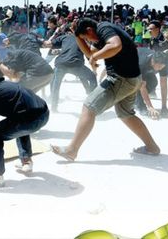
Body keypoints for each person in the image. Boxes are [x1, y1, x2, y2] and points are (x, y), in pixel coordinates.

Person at [50, 18, 160, 161]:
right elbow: (90, 53)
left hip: (121, 78)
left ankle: (72, 150)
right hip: (132, 80)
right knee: (126, 114)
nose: (88, 41)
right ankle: (152, 147)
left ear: (90, 30)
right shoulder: (100, 37)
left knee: (89, 106)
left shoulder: (103, 28)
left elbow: (115, 45)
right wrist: (78, 37)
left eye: (86, 38)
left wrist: (94, 56)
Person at [46, 23, 97, 112]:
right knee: (92, 77)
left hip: (61, 63)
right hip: (76, 64)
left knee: (55, 83)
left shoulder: (64, 37)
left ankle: (54, 107)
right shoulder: (82, 39)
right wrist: (94, 70)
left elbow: (49, 44)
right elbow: (89, 56)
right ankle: (92, 104)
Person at [135, 48, 167, 119]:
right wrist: (150, 107)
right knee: (137, 85)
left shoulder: (162, 63)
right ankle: (139, 105)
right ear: (153, 62)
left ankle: (138, 99)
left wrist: (164, 107)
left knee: (153, 82)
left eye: (162, 67)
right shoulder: (141, 63)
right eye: (159, 66)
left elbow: (164, 84)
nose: (160, 69)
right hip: (130, 64)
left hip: (145, 65)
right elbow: (142, 87)